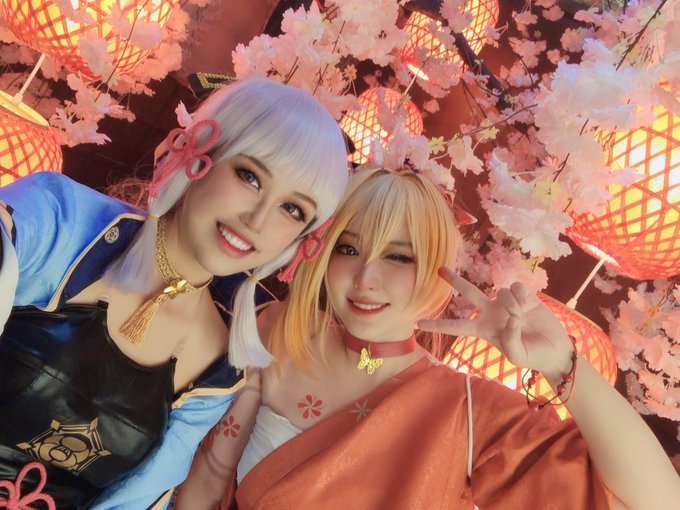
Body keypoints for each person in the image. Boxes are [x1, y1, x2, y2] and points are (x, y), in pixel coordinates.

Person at [178, 166, 680, 510]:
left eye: (399, 257)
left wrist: (561, 363)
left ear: (438, 269)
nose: (366, 278)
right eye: (348, 249)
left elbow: (657, 502)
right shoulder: (275, 328)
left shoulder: (467, 411)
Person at [0, 77, 350, 509]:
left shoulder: (220, 370)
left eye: (292, 209)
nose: (258, 220)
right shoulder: (62, 220)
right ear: (198, 154)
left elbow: (135, 501)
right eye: (250, 177)